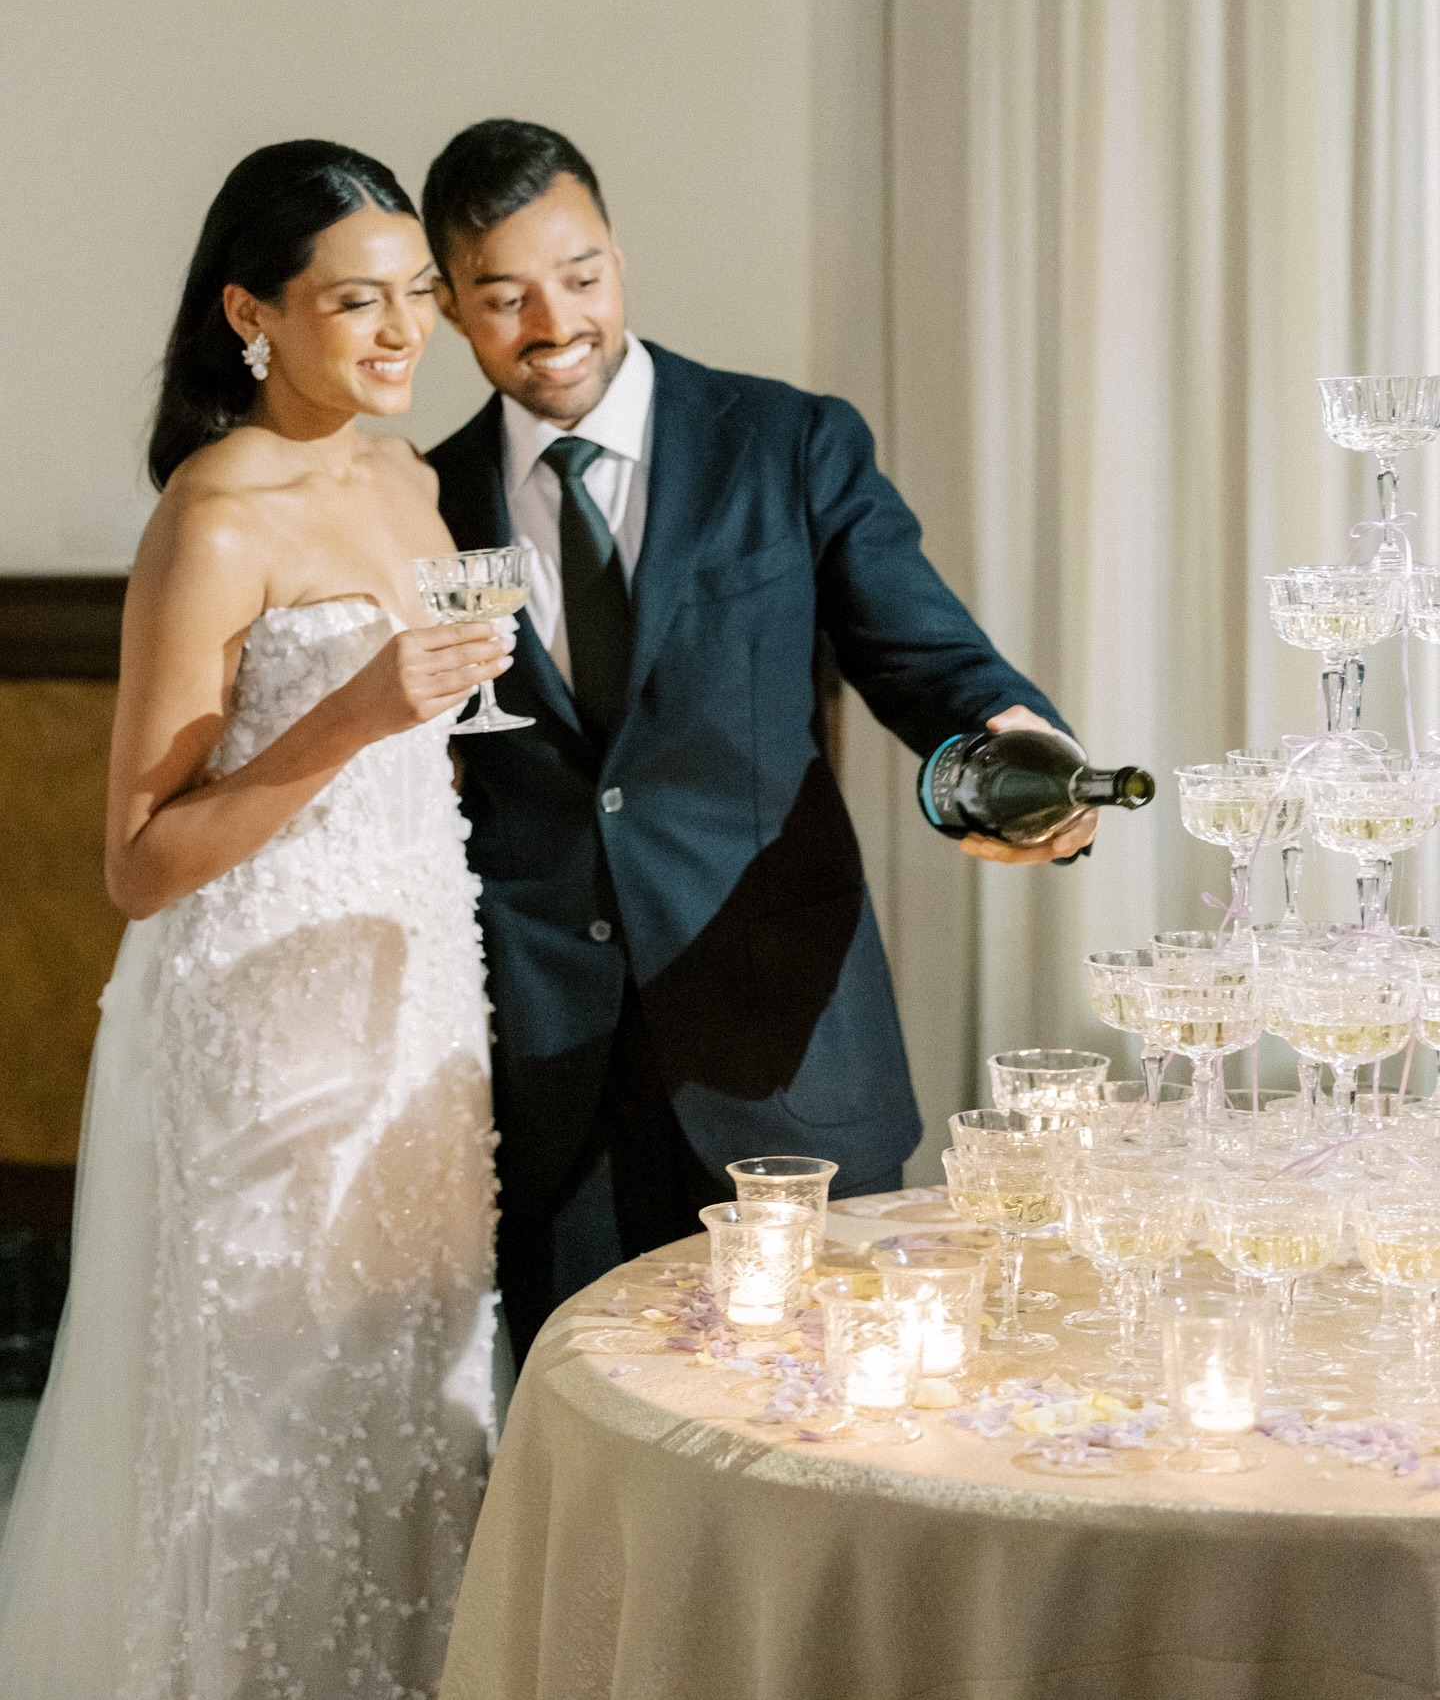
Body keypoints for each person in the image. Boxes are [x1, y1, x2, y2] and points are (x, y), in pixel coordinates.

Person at [424, 119, 1095, 1364]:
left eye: (578, 276)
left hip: (782, 1044)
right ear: (452, 305)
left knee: (829, 1416)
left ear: (619, 254)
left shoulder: (785, 442)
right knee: (598, 1451)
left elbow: (928, 662)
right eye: (503, 294)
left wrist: (1018, 757)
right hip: (545, 1070)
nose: (552, 320)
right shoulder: (425, 500)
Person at [0, 141, 511, 1699]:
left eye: (419, 294)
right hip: (261, 1026)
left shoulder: (412, 479)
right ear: (250, 312)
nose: (402, 332)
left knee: (421, 1386)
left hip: (417, 991)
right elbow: (141, 861)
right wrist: (347, 714)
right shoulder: (215, 516)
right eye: (356, 300)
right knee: (272, 1413)